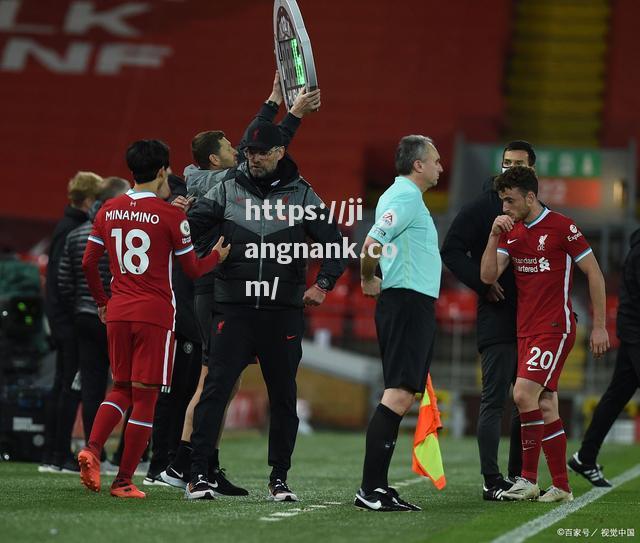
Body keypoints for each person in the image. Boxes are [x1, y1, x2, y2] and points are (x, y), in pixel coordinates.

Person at [161, 74, 320, 494]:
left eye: (246, 150)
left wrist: (274, 101)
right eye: (235, 150)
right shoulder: (219, 183)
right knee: (212, 384)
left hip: (247, 297)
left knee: (222, 385)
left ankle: (202, 465)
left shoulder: (220, 179)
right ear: (216, 161)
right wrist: (294, 114)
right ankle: (184, 464)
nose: (242, 154)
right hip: (218, 291)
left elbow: (268, 143)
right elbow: (268, 144)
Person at [185, 119, 345, 501]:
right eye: (248, 152)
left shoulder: (304, 194)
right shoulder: (225, 188)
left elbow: (334, 243)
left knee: (283, 397)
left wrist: (323, 285)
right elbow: (189, 230)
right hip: (233, 308)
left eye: (260, 152)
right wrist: (210, 256)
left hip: (282, 311)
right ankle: (197, 475)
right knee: (215, 390)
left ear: (279, 153)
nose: (252, 158)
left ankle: (279, 478)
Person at [79, 139, 229, 499]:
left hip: (118, 310)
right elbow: (192, 270)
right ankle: (124, 481)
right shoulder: (171, 215)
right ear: (162, 171)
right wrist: (218, 257)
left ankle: (93, 449)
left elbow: (87, 262)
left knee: (120, 389)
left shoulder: (108, 209)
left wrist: (102, 302)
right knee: (145, 399)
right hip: (155, 314)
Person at [480, 166, 609, 503]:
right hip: (526, 330)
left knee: (522, 394)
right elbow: (487, 276)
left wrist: (599, 326)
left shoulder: (562, 227)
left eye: (510, 200)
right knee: (546, 404)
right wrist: (494, 236)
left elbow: (594, 273)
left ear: (531, 197)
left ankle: (527, 480)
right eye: (502, 201)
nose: (504, 207)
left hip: (555, 326)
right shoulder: (511, 231)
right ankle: (562, 488)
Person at [440, 141, 536, 500]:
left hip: (533, 321)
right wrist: (483, 285)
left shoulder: (540, 212)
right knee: (495, 399)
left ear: (531, 172)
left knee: (526, 401)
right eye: (506, 163)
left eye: (518, 164)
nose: (510, 169)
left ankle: (520, 478)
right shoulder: (481, 207)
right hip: (497, 319)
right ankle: (491, 480)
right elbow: (450, 249)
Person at [355, 135, 443, 512]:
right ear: (418, 164)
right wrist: (366, 278)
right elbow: (372, 242)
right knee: (398, 394)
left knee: (402, 394)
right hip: (406, 301)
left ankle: (377, 487)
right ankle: (370, 489)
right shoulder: (405, 197)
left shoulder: (406, 197)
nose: (441, 166)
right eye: (436, 160)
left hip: (411, 302)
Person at [57, 177, 130, 463]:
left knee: (91, 387)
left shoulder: (76, 234)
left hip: (85, 316)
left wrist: (83, 304)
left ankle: (92, 449)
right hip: (119, 316)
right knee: (128, 386)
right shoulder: (120, 231)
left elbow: (64, 281)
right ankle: (127, 455)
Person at [41, 171, 103, 474]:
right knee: (71, 386)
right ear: (91, 200)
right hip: (70, 321)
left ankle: (53, 452)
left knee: (65, 385)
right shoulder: (75, 229)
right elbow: (61, 282)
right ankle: (58, 453)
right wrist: (63, 322)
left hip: (66, 318)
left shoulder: (65, 227)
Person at [569, 227, 640, 487]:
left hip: (632, 330)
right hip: (636, 332)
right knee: (615, 396)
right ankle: (585, 457)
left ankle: (585, 458)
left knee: (616, 396)